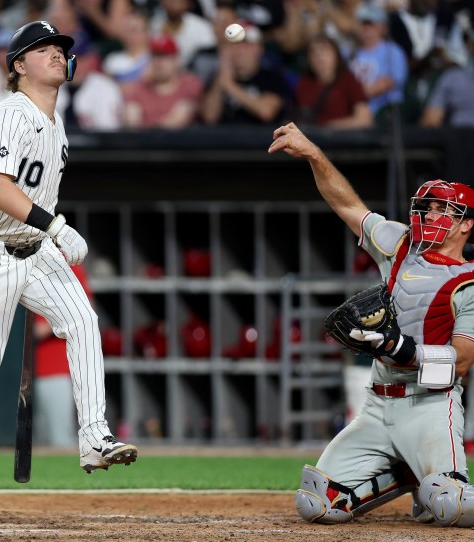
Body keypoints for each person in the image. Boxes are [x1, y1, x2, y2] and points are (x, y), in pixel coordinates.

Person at [0, 20, 138, 527]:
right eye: (41, 48)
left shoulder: (55, 121)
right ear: (18, 65)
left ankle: (94, 436)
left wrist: (48, 231)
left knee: (83, 322)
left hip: (34, 249)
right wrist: (58, 226)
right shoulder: (11, 114)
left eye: (59, 48)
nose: (54, 53)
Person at [268, 121, 474, 527]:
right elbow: (346, 204)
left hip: (429, 406)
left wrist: (404, 350)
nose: (428, 214)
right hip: (377, 405)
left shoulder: (469, 280)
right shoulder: (400, 246)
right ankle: (408, 474)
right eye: (427, 206)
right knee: (317, 503)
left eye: (440, 209)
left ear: (466, 224)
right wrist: (313, 153)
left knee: (453, 506)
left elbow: (463, 362)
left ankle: (432, 479)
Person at [33, 263, 92, 447]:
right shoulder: (15, 261)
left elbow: (84, 309)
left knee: (60, 442)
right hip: (20, 372)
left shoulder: (62, 262)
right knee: (33, 445)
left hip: (54, 367)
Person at [201, 23, 291, 125]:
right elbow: (209, 117)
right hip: (223, 138)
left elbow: (266, 112)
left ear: (259, 49)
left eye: (246, 45)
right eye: (235, 45)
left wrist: (229, 85)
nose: (239, 50)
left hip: (258, 138)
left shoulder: (272, 77)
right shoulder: (219, 77)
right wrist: (222, 77)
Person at [122, 34, 204, 128]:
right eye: (155, 56)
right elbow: (132, 125)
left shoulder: (190, 84)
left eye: (165, 56)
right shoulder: (138, 89)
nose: (159, 61)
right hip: (144, 141)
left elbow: (179, 119)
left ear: (176, 59)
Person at [293, 34, 373, 128]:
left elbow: (364, 119)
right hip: (309, 137)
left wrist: (328, 128)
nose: (319, 57)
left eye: (325, 52)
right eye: (314, 53)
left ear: (336, 56)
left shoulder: (349, 80)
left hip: (342, 138)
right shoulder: (304, 83)